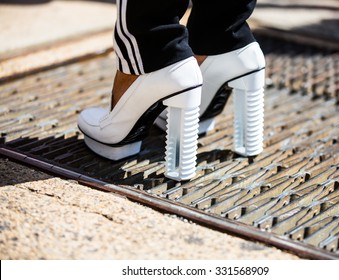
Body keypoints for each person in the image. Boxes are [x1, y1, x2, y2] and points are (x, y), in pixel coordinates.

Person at [78, 0, 266, 181]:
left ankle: (154, 57)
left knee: (152, 34)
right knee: (222, 21)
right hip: (241, 48)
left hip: (154, 61)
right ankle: (222, 41)